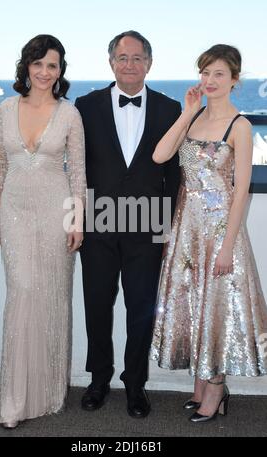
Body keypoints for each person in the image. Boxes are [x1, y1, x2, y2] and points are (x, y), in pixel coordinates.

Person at [150, 44, 267, 422]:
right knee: (193, 306)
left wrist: (227, 247)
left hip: (219, 232)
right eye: (205, 73)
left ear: (235, 80)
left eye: (219, 74)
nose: (210, 80)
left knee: (216, 309)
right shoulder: (195, 117)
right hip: (187, 228)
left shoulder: (241, 126)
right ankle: (202, 382)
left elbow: (242, 191)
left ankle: (216, 388)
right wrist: (185, 113)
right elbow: (160, 155)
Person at [75, 31, 181, 418]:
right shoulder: (84, 106)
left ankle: (135, 384)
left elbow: (176, 176)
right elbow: (76, 170)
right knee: (97, 307)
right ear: (111, 63)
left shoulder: (170, 110)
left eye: (137, 58)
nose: (130, 64)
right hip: (97, 223)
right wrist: (77, 222)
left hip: (147, 225)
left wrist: (165, 229)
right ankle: (99, 380)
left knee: (141, 309)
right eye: (123, 58)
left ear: (149, 64)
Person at [0, 35, 86, 428]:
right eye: (39, 64)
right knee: (22, 294)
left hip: (55, 211)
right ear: (26, 66)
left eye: (54, 65)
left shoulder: (69, 114)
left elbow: (78, 172)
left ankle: (47, 392)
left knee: (52, 298)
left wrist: (76, 220)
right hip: (13, 212)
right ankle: (14, 400)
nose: (46, 72)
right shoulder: (5, 108)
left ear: (60, 71)